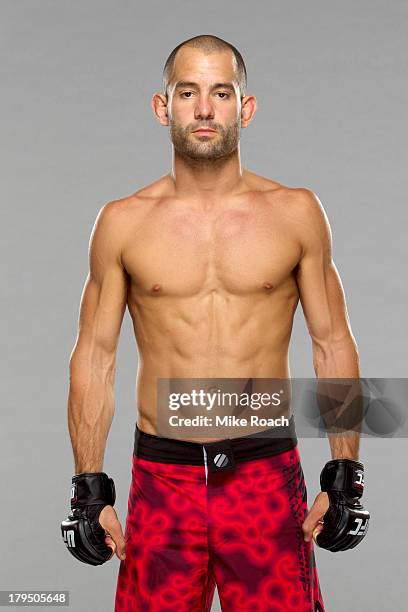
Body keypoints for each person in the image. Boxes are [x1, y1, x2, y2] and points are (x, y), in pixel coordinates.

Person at [62, 34, 370, 611]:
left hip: (264, 478)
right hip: (164, 481)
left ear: (245, 109)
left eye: (221, 93)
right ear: (163, 107)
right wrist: (87, 489)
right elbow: (95, 358)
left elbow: (331, 343)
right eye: (188, 92)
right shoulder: (123, 223)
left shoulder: (296, 213)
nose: (205, 109)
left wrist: (346, 472)